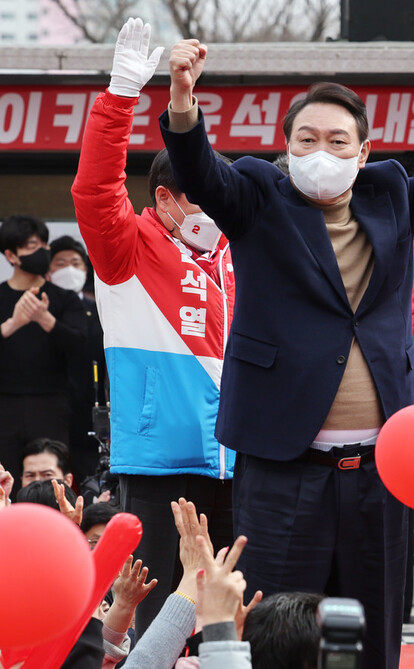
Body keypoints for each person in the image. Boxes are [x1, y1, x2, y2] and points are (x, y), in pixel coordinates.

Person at [158, 35, 414, 669]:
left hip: (383, 462)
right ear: (286, 148)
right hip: (282, 458)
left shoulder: (391, 194)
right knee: (274, 626)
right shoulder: (257, 195)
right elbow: (199, 173)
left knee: (373, 628)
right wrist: (183, 103)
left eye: (337, 141)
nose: (322, 153)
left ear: (364, 150)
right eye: (307, 141)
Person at [71, 19, 236, 635]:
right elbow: (93, 190)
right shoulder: (129, 248)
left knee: (227, 613)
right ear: (164, 198)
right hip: (161, 460)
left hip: (240, 458)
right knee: (161, 623)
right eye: (199, 197)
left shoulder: (236, 253)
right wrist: (120, 98)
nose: (213, 209)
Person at [0, 214, 86, 493]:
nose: (43, 252)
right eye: (33, 246)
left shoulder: (65, 298)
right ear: (11, 255)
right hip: (5, 405)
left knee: (51, 481)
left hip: (51, 404)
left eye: (44, 245)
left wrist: (44, 318)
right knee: (7, 480)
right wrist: (12, 324)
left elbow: (80, 344)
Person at [48, 235, 107, 486]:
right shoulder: (37, 309)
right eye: (60, 263)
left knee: (89, 481)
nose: (69, 269)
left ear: (86, 270)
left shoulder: (100, 311)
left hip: (88, 410)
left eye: (76, 262)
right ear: (48, 271)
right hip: (49, 408)